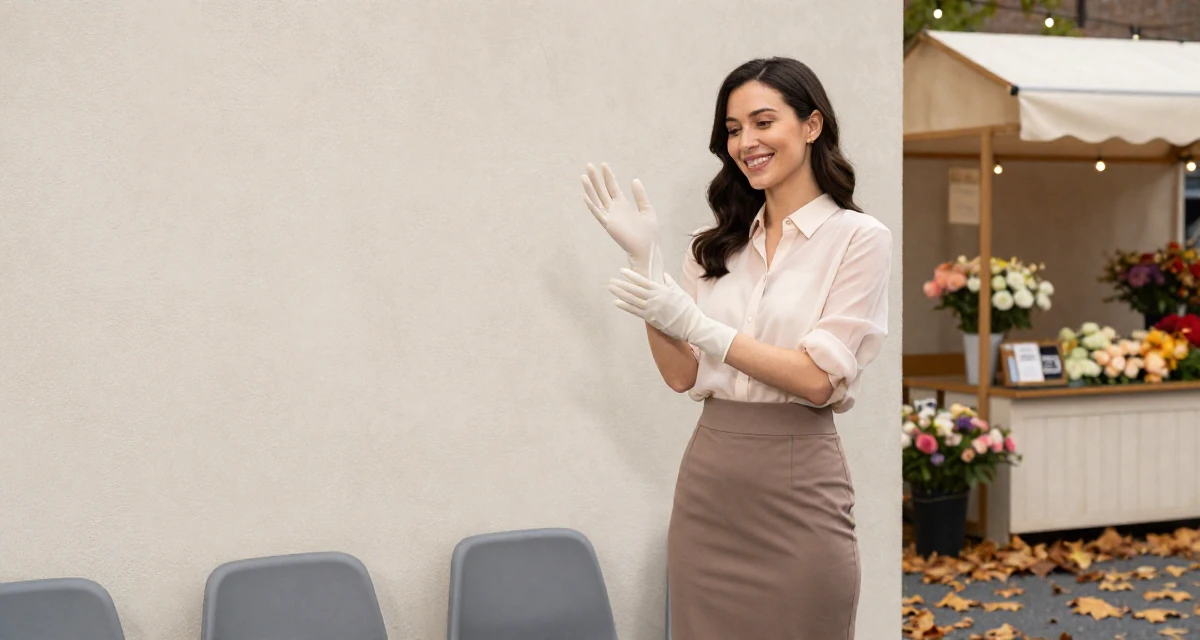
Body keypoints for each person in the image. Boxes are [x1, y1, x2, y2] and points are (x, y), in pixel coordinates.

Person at [581, 56, 891, 639]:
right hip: (710, 489)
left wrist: (697, 325)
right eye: (732, 129)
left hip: (800, 487)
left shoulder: (858, 239)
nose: (745, 141)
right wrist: (645, 265)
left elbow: (817, 379)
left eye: (762, 122)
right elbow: (681, 376)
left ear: (812, 125)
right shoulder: (713, 247)